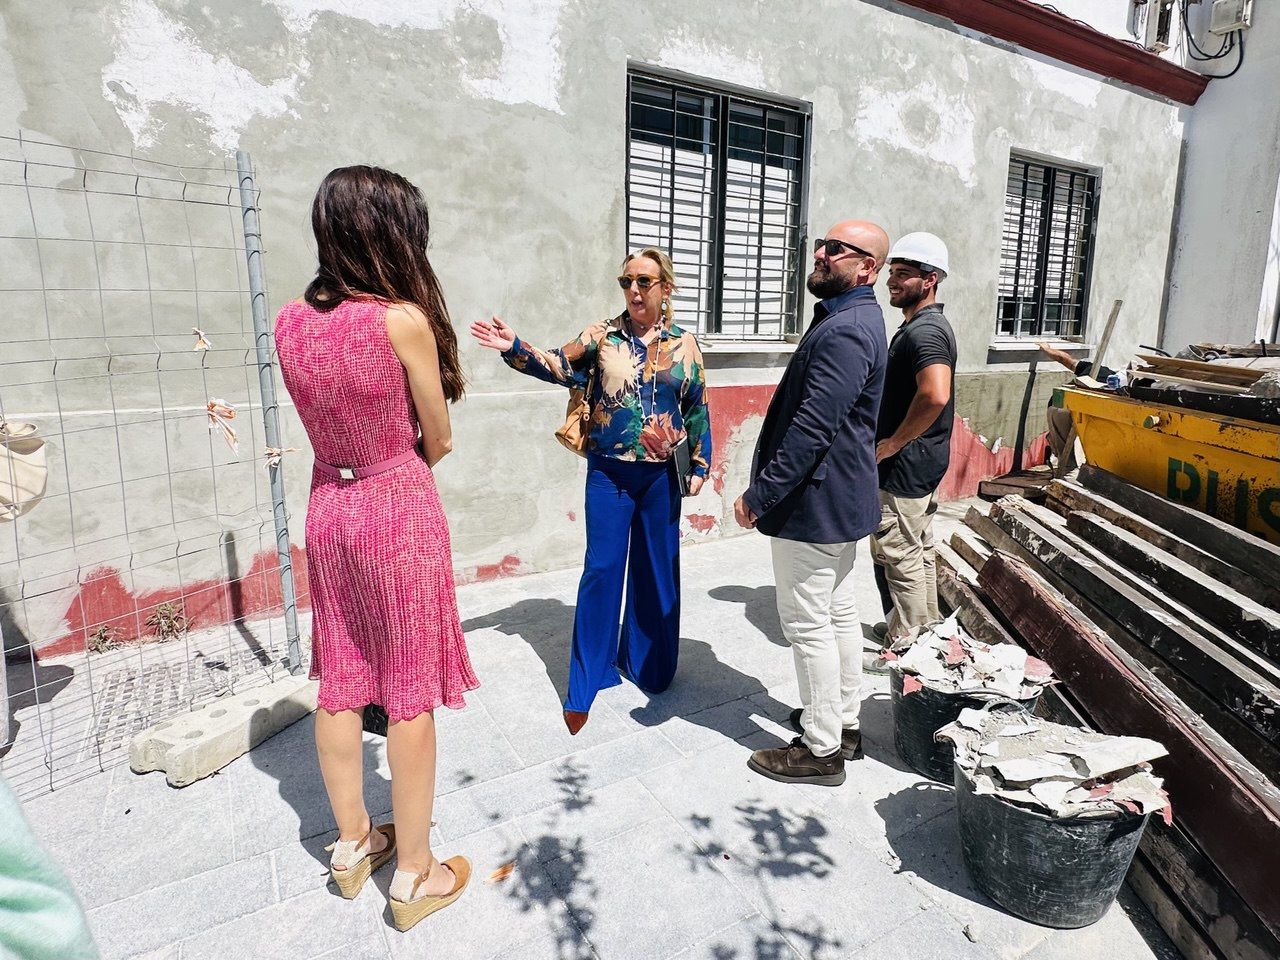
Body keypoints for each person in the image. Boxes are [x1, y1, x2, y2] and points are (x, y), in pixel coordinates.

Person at [274, 166, 478, 932]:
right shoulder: (401, 319)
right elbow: (440, 437)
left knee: (340, 674)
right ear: (391, 233)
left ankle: (353, 845)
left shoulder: (290, 321)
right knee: (409, 685)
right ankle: (415, 873)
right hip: (394, 504)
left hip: (327, 504)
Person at [470, 248, 712, 736]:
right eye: (626, 281)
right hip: (610, 474)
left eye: (644, 280)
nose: (634, 290)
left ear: (666, 288)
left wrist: (701, 463)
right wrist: (514, 345)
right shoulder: (602, 335)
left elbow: (696, 406)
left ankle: (649, 665)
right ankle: (588, 678)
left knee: (657, 571)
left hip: (661, 477)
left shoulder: (685, 344)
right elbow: (558, 364)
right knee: (602, 571)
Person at [735, 220, 889, 787]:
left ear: (866, 267)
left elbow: (812, 428)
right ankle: (842, 723)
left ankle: (821, 748)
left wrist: (761, 494)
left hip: (816, 504)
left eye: (835, 249)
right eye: (820, 245)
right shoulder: (852, 318)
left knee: (808, 624)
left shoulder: (848, 329)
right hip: (839, 501)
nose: (820, 255)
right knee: (838, 613)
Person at [871, 233, 956, 640]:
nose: (893, 281)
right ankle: (924, 632)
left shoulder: (926, 333)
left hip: (906, 464)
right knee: (918, 548)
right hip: (922, 461)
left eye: (904, 275)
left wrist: (894, 442)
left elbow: (936, 394)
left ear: (931, 279)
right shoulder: (919, 327)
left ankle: (904, 645)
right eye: (893, 273)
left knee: (898, 553)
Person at [1037, 342, 1115, 470]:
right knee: (1069, 446)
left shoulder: (1092, 369)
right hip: (1065, 408)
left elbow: (1064, 358)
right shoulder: (1116, 385)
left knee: (1064, 445)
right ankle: (1067, 469)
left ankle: (1065, 465)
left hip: (1062, 406)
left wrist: (1047, 348)